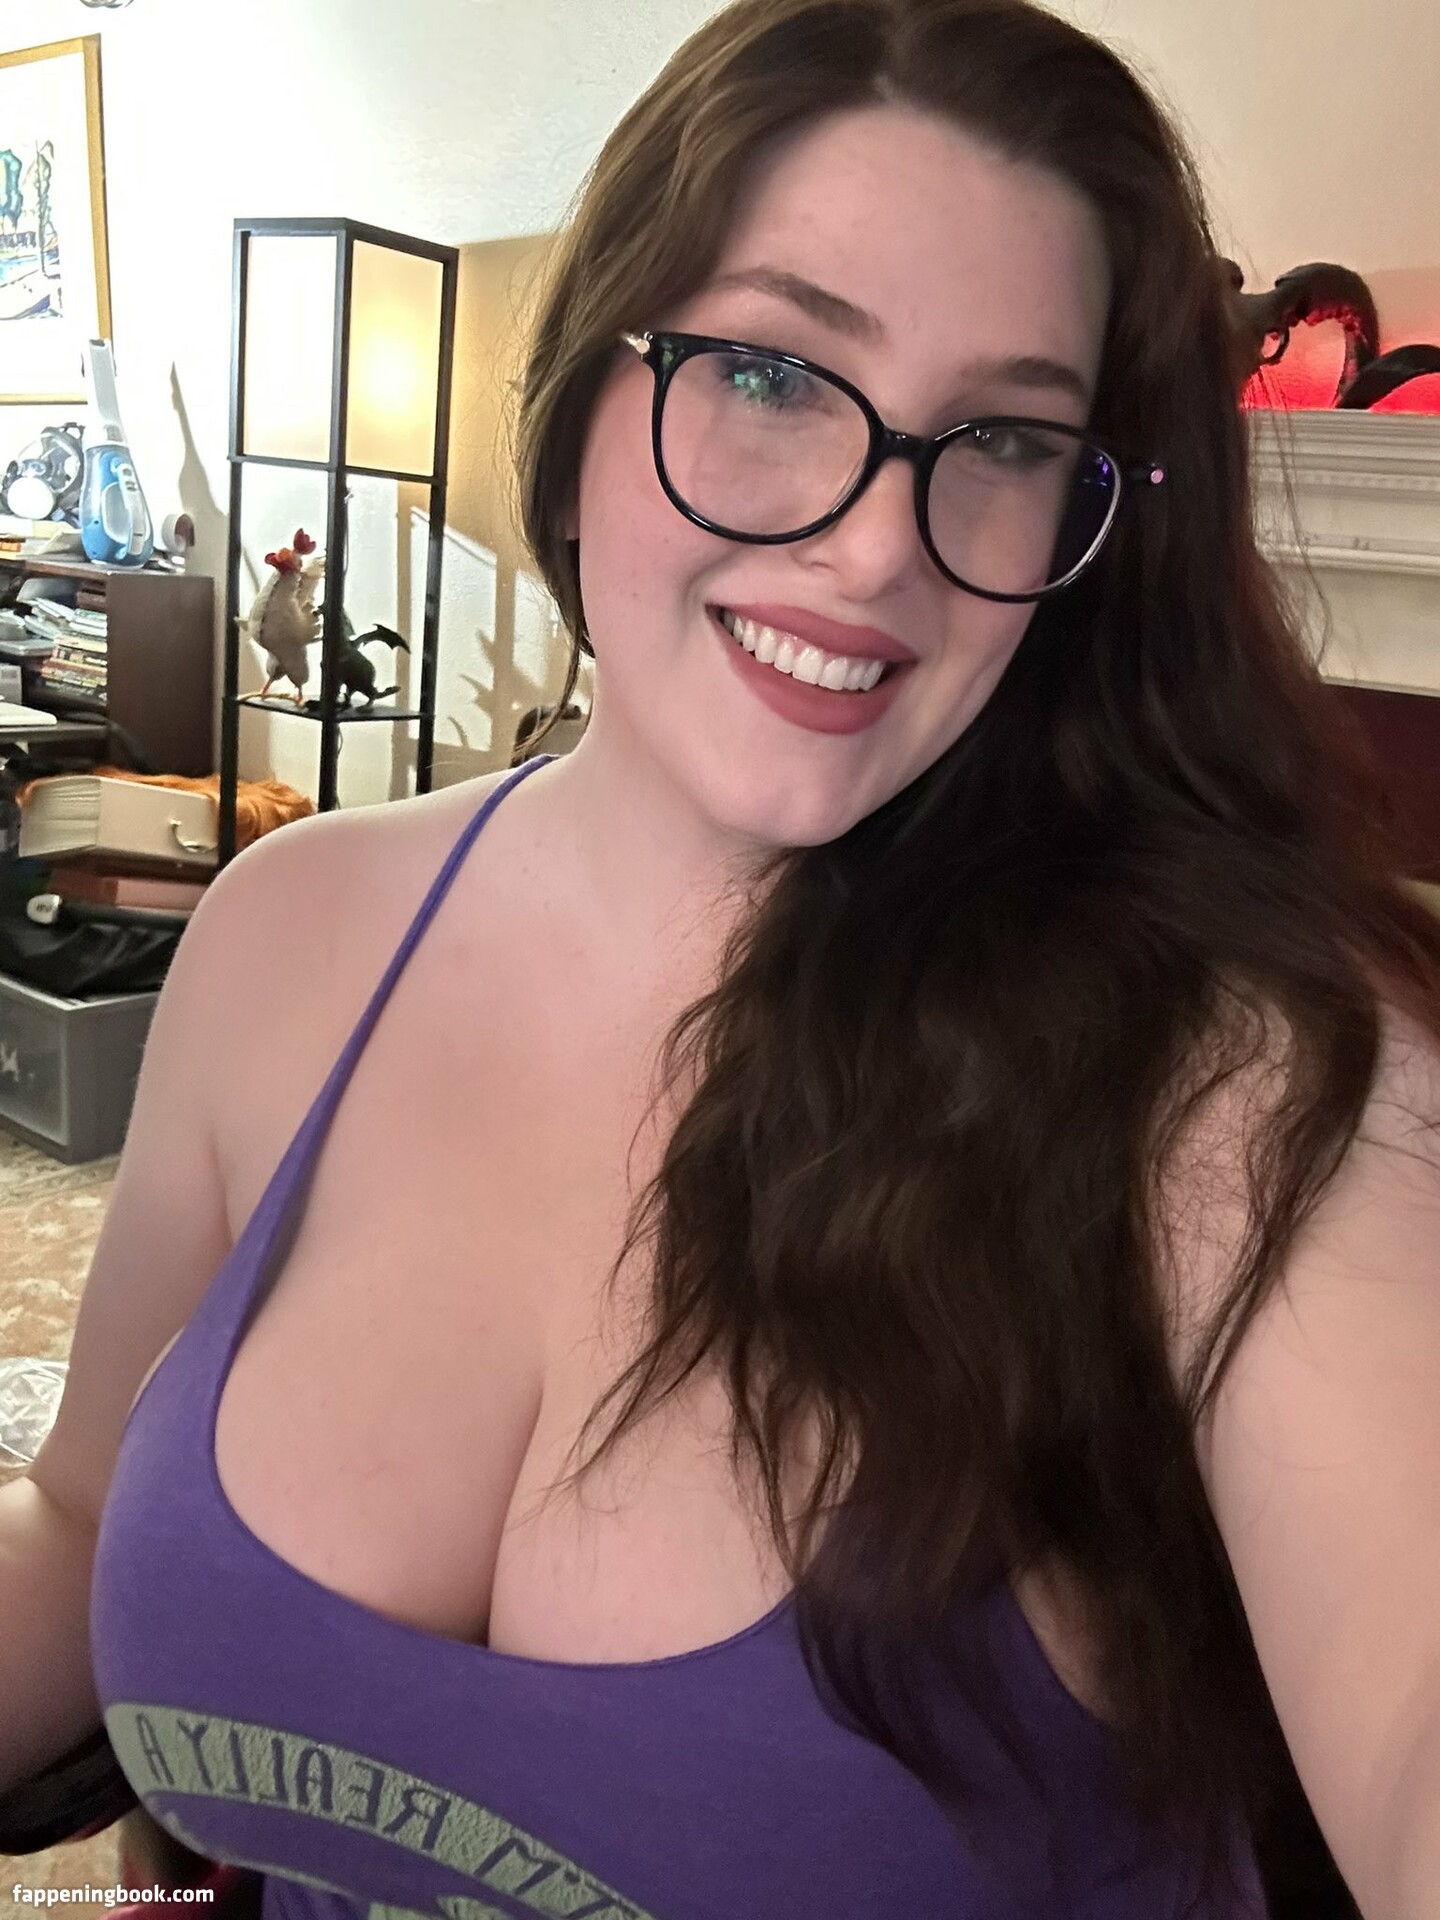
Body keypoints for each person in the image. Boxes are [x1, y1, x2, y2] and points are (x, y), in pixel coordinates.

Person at [3, 1, 1438, 1915]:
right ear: (587, 389)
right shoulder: (291, 930)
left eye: (1005, 437)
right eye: (773, 372)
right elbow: (81, 1508)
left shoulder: (1231, 1077)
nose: (874, 552)